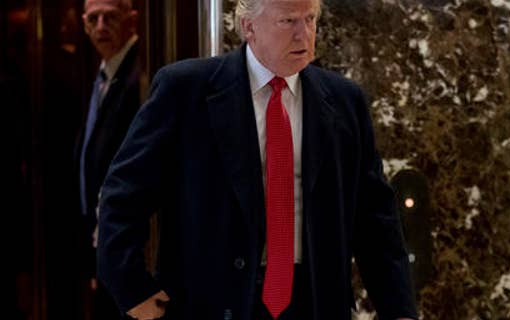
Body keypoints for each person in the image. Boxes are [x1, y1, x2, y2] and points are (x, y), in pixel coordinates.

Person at [96, 0, 418, 319]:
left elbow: (376, 218)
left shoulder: (345, 101)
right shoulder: (185, 90)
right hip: (213, 301)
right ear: (248, 27)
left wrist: (399, 308)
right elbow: (124, 194)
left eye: (310, 19)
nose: (303, 34)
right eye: (288, 21)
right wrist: (131, 287)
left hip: (314, 300)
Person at [75, 0, 141, 318]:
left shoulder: (140, 74)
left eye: (110, 17)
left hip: (128, 248)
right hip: (102, 244)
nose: (101, 26)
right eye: (94, 18)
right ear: (84, 23)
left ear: (131, 20)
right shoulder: (103, 72)